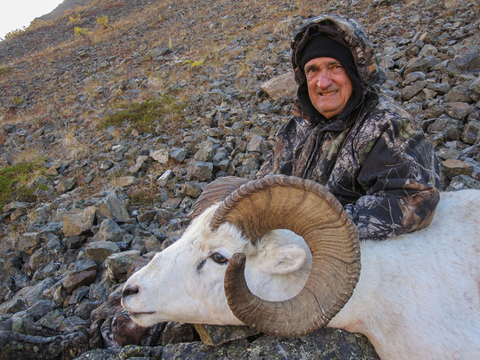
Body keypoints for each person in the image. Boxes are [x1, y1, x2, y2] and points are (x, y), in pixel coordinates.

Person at [256, 14, 440, 240]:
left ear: (355, 73)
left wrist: (309, 226)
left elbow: (413, 201)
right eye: (313, 70)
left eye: (334, 67)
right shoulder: (298, 127)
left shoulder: (389, 125)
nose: (323, 82)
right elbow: (260, 187)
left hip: (351, 263)